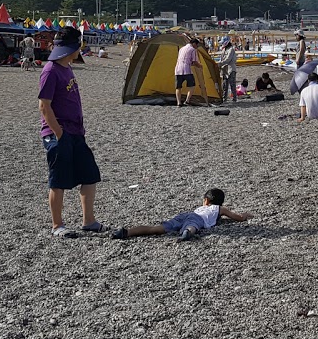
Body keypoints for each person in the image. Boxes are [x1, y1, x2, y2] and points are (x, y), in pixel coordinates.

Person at [38, 26, 103, 237]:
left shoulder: (66, 68)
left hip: (76, 132)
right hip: (59, 133)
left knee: (89, 174)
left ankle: (89, 221)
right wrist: (59, 134)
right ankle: (57, 225)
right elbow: (44, 106)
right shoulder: (50, 71)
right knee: (59, 180)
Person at [111, 188, 251, 242]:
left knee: (156, 228)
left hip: (186, 214)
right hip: (197, 219)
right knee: (192, 226)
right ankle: (186, 233)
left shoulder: (201, 208)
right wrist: (245, 215)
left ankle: (127, 232)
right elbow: (237, 217)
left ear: (205, 200)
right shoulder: (219, 209)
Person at [174, 37, 200, 107]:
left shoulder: (181, 49)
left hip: (178, 70)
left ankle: (179, 103)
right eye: (197, 45)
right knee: (192, 86)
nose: (197, 47)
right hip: (187, 70)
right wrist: (200, 66)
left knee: (178, 87)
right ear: (194, 44)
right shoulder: (192, 50)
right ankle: (187, 101)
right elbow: (194, 62)